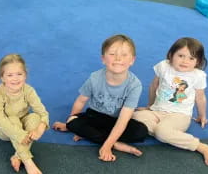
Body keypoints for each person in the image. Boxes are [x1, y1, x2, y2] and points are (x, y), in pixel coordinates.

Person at [53, 34, 148, 162]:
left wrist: (107, 146)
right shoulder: (94, 78)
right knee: (72, 121)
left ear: (132, 60)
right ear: (103, 59)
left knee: (141, 131)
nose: (118, 58)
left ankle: (97, 137)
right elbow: (81, 100)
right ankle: (115, 143)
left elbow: (124, 119)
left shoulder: (134, 85)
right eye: (112, 54)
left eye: (124, 55)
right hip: (94, 116)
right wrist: (70, 123)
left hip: (116, 120)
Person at [133, 37, 208, 166]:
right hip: (157, 111)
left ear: (198, 61)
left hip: (179, 115)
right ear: (171, 55)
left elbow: (200, 97)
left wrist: (202, 115)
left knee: (162, 132)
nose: (184, 61)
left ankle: (201, 146)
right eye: (180, 56)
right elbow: (154, 86)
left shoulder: (198, 76)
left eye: (191, 58)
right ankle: (166, 133)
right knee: (135, 116)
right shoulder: (164, 66)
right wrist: (150, 105)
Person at [0, 54, 49, 174]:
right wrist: (19, 135)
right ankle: (27, 160)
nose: (15, 79)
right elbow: (0, 119)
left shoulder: (28, 90)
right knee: (13, 119)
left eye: (19, 74)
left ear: (25, 75)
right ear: (2, 78)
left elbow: (43, 113)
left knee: (34, 117)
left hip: (22, 122)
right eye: (10, 75)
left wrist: (41, 127)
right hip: (4, 130)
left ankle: (17, 156)